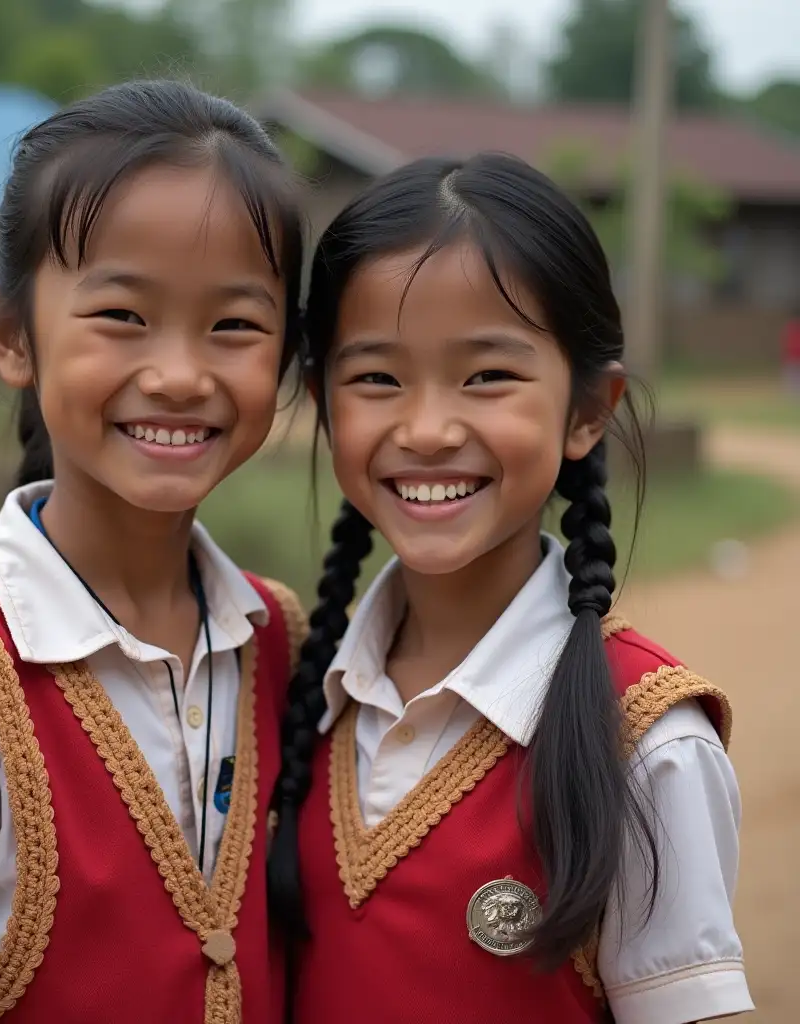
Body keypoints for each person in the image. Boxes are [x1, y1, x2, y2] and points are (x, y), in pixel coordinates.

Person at [0, 80, 308, 1024]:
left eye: (236, 325)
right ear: (10, 335)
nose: (178, 374)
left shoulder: (275, 638)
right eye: (122, 315)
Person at [268, 155, 753, 1023]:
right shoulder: (298, 687)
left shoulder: (646, 742)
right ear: (324, 402)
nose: (426, 429)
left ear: (587, 411)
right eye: (376, 378)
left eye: (488, 375)